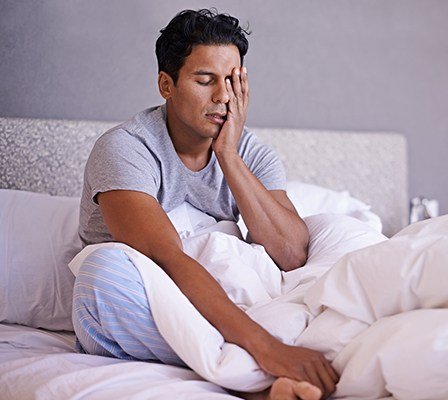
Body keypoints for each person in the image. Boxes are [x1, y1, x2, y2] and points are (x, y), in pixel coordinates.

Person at [73, 8, 338, 400]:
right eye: (205, 80)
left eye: (232, 81)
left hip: (226, 303)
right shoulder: (125, 148)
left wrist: (228, 156)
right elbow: (166, 259)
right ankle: (254, 383)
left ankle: (246, 376)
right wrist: (268, 348)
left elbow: (291, 252)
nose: (222, 97)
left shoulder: (251, 153)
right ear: (167, 84)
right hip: (138, 302)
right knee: (103, 274)